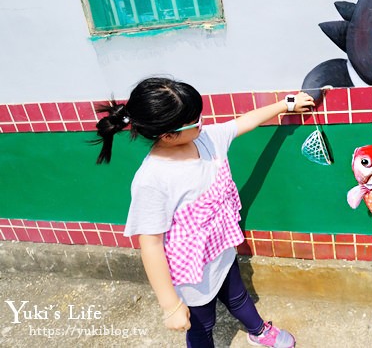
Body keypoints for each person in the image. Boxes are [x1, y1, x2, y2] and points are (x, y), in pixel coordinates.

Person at [92, 76, 314, 348]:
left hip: (221, 250)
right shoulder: (152, 179)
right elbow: (150, 245)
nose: (202, 123)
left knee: (239, 297)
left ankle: (258, 331)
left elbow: (245, 121)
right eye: (194, 120)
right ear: (167, 134)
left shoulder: (207, 140)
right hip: (191, 273)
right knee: (202, 326)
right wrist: (170, 305)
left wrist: (286, 105)